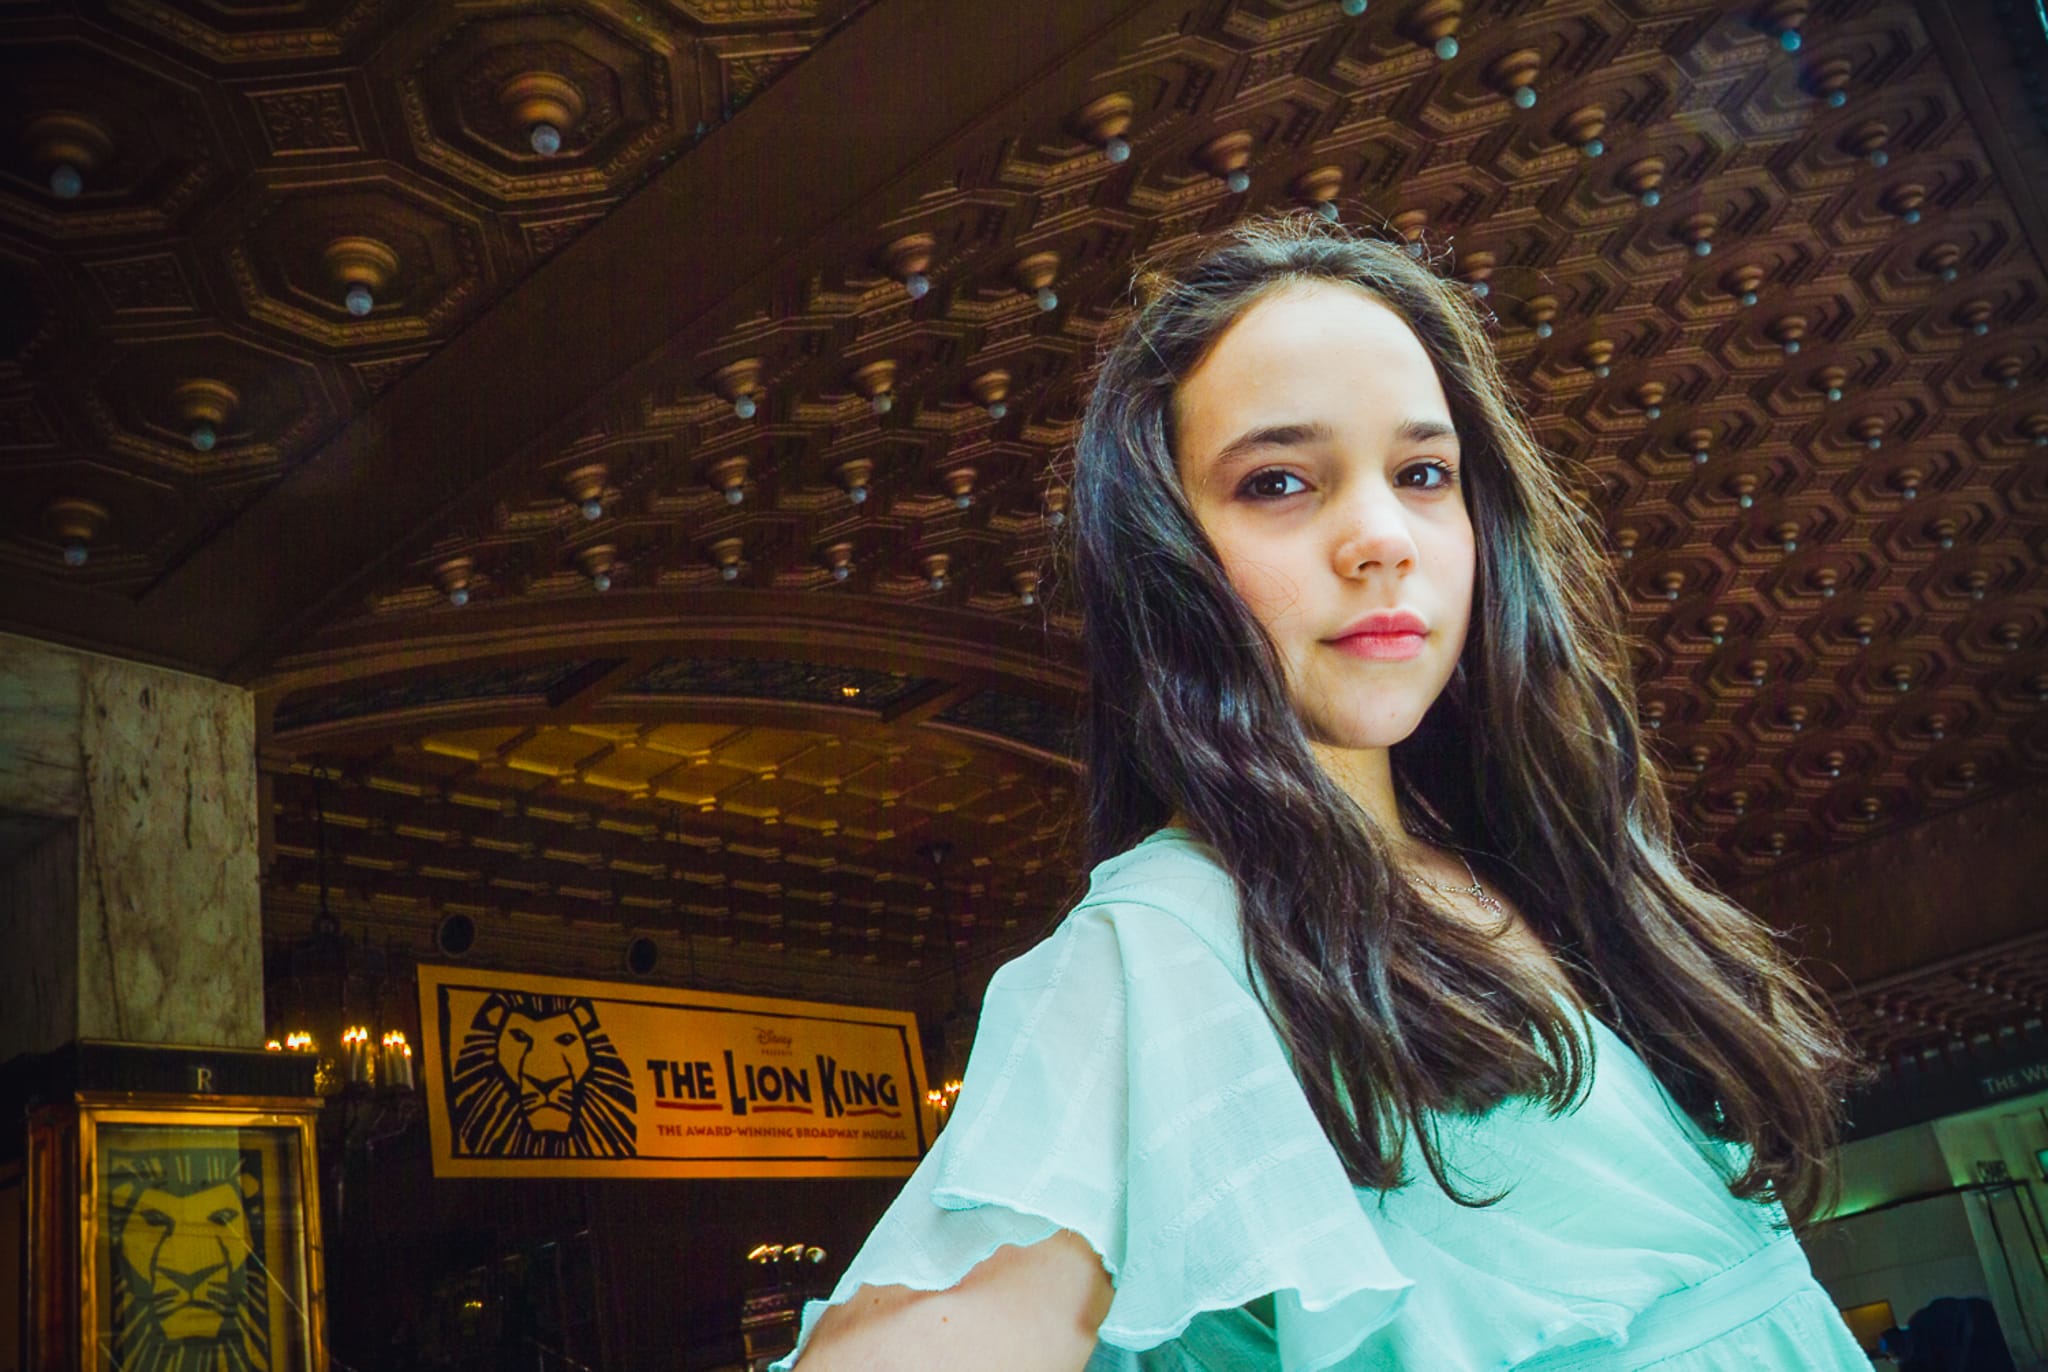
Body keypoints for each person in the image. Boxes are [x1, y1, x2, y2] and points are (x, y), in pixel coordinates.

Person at [773, 214, 1869, 1370]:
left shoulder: (1522, 864)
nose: (1380, 536)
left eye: (1422, 473)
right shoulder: (1159, 945)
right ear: (1165, 556)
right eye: (1279, 481)